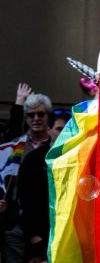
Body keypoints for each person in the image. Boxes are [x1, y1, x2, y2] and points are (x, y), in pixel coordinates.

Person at [3, 93, 53, 263]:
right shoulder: (16, 145)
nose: (36, 118)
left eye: (41, 114)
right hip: (15, 219)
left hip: (44, 220)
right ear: (26, 118)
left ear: (48, 116)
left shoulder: (55, 146)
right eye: (31, 115)